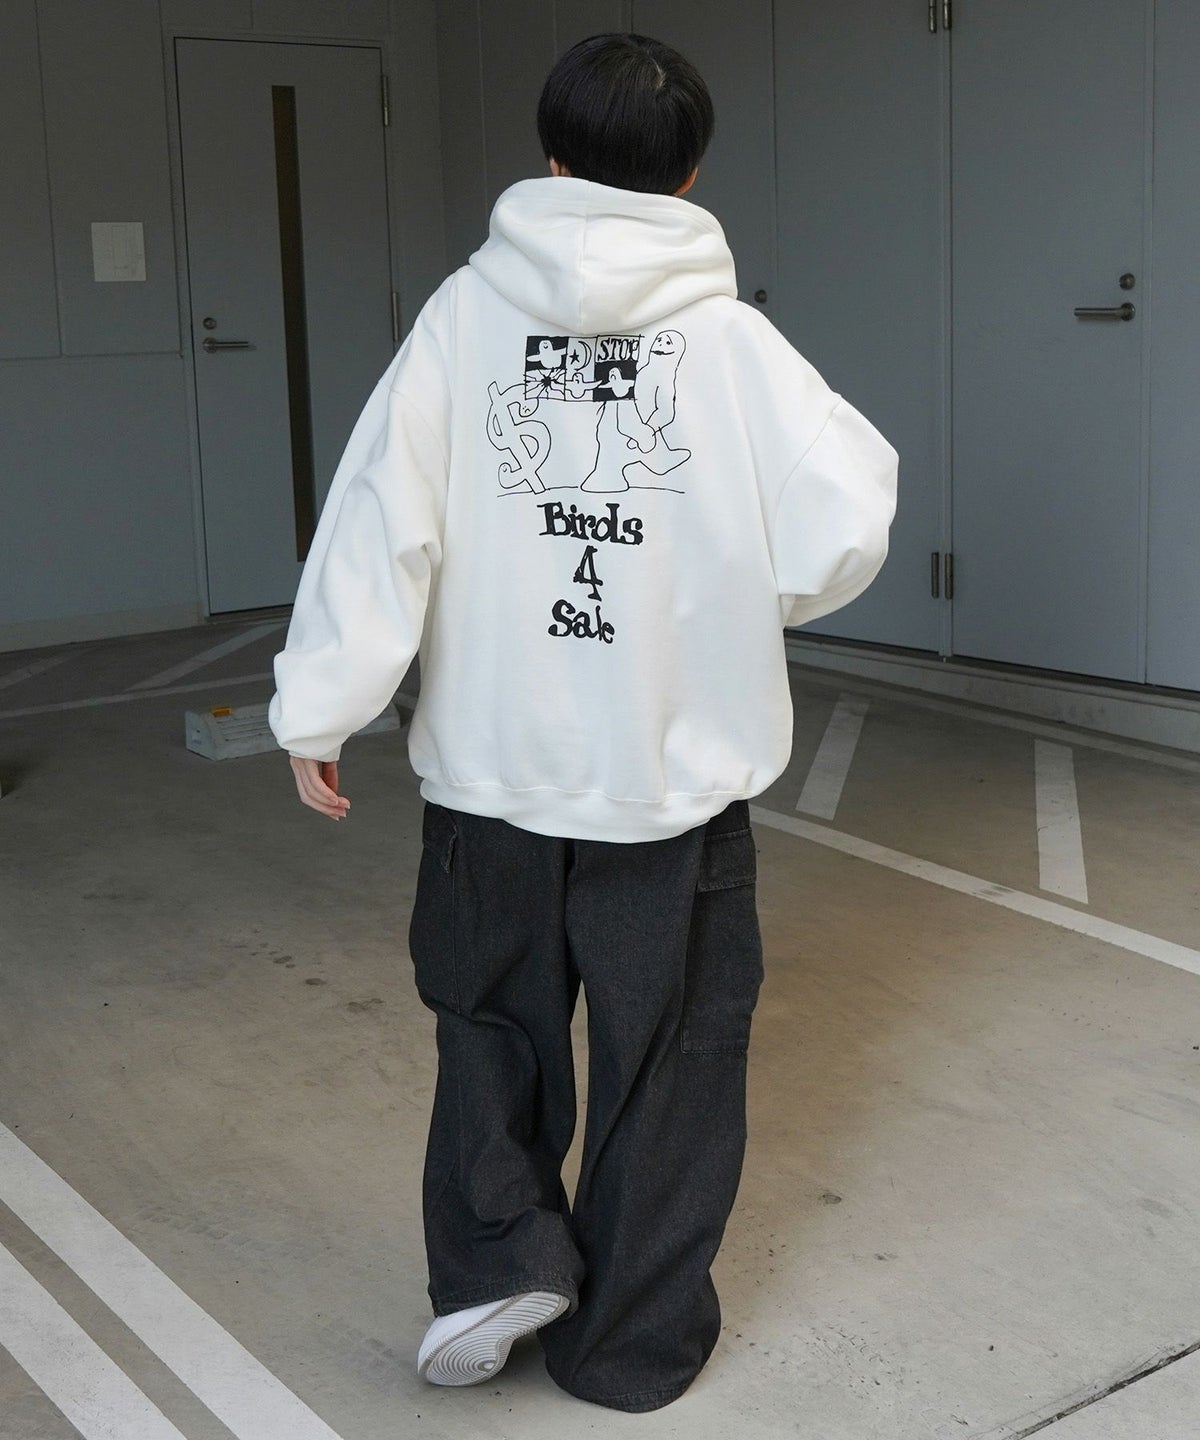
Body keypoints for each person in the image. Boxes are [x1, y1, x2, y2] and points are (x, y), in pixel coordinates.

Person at [268, 32, 898, 1414]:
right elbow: (848, 515)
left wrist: (323, 703)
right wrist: (731, 597)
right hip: (672, 788)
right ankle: (627, 1347)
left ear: (551, 159)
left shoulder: (463, 319)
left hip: (490, 778)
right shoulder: (732, 344)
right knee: (674, 1059)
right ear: (691, 176)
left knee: (486, 1023)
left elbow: (381, 521)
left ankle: (498, 1262)